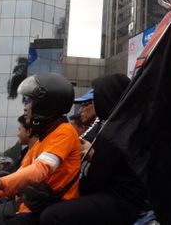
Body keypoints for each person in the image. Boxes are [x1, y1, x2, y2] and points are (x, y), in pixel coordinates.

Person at [40, 74, 148, 225]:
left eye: (97, 98)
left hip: (120, 202)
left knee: (51, 216)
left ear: (107, 97)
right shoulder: (127, 125)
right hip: (125, 199)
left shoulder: (114, 131)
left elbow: (96, 180)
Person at [0, 73, 80, 223]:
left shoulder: (65, 131)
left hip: (51, 208)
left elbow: (40, 169)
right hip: (32, 205)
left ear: (46, 105)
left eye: (29, 101)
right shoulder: (43, 138)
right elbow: (17, 180)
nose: (25, 108)